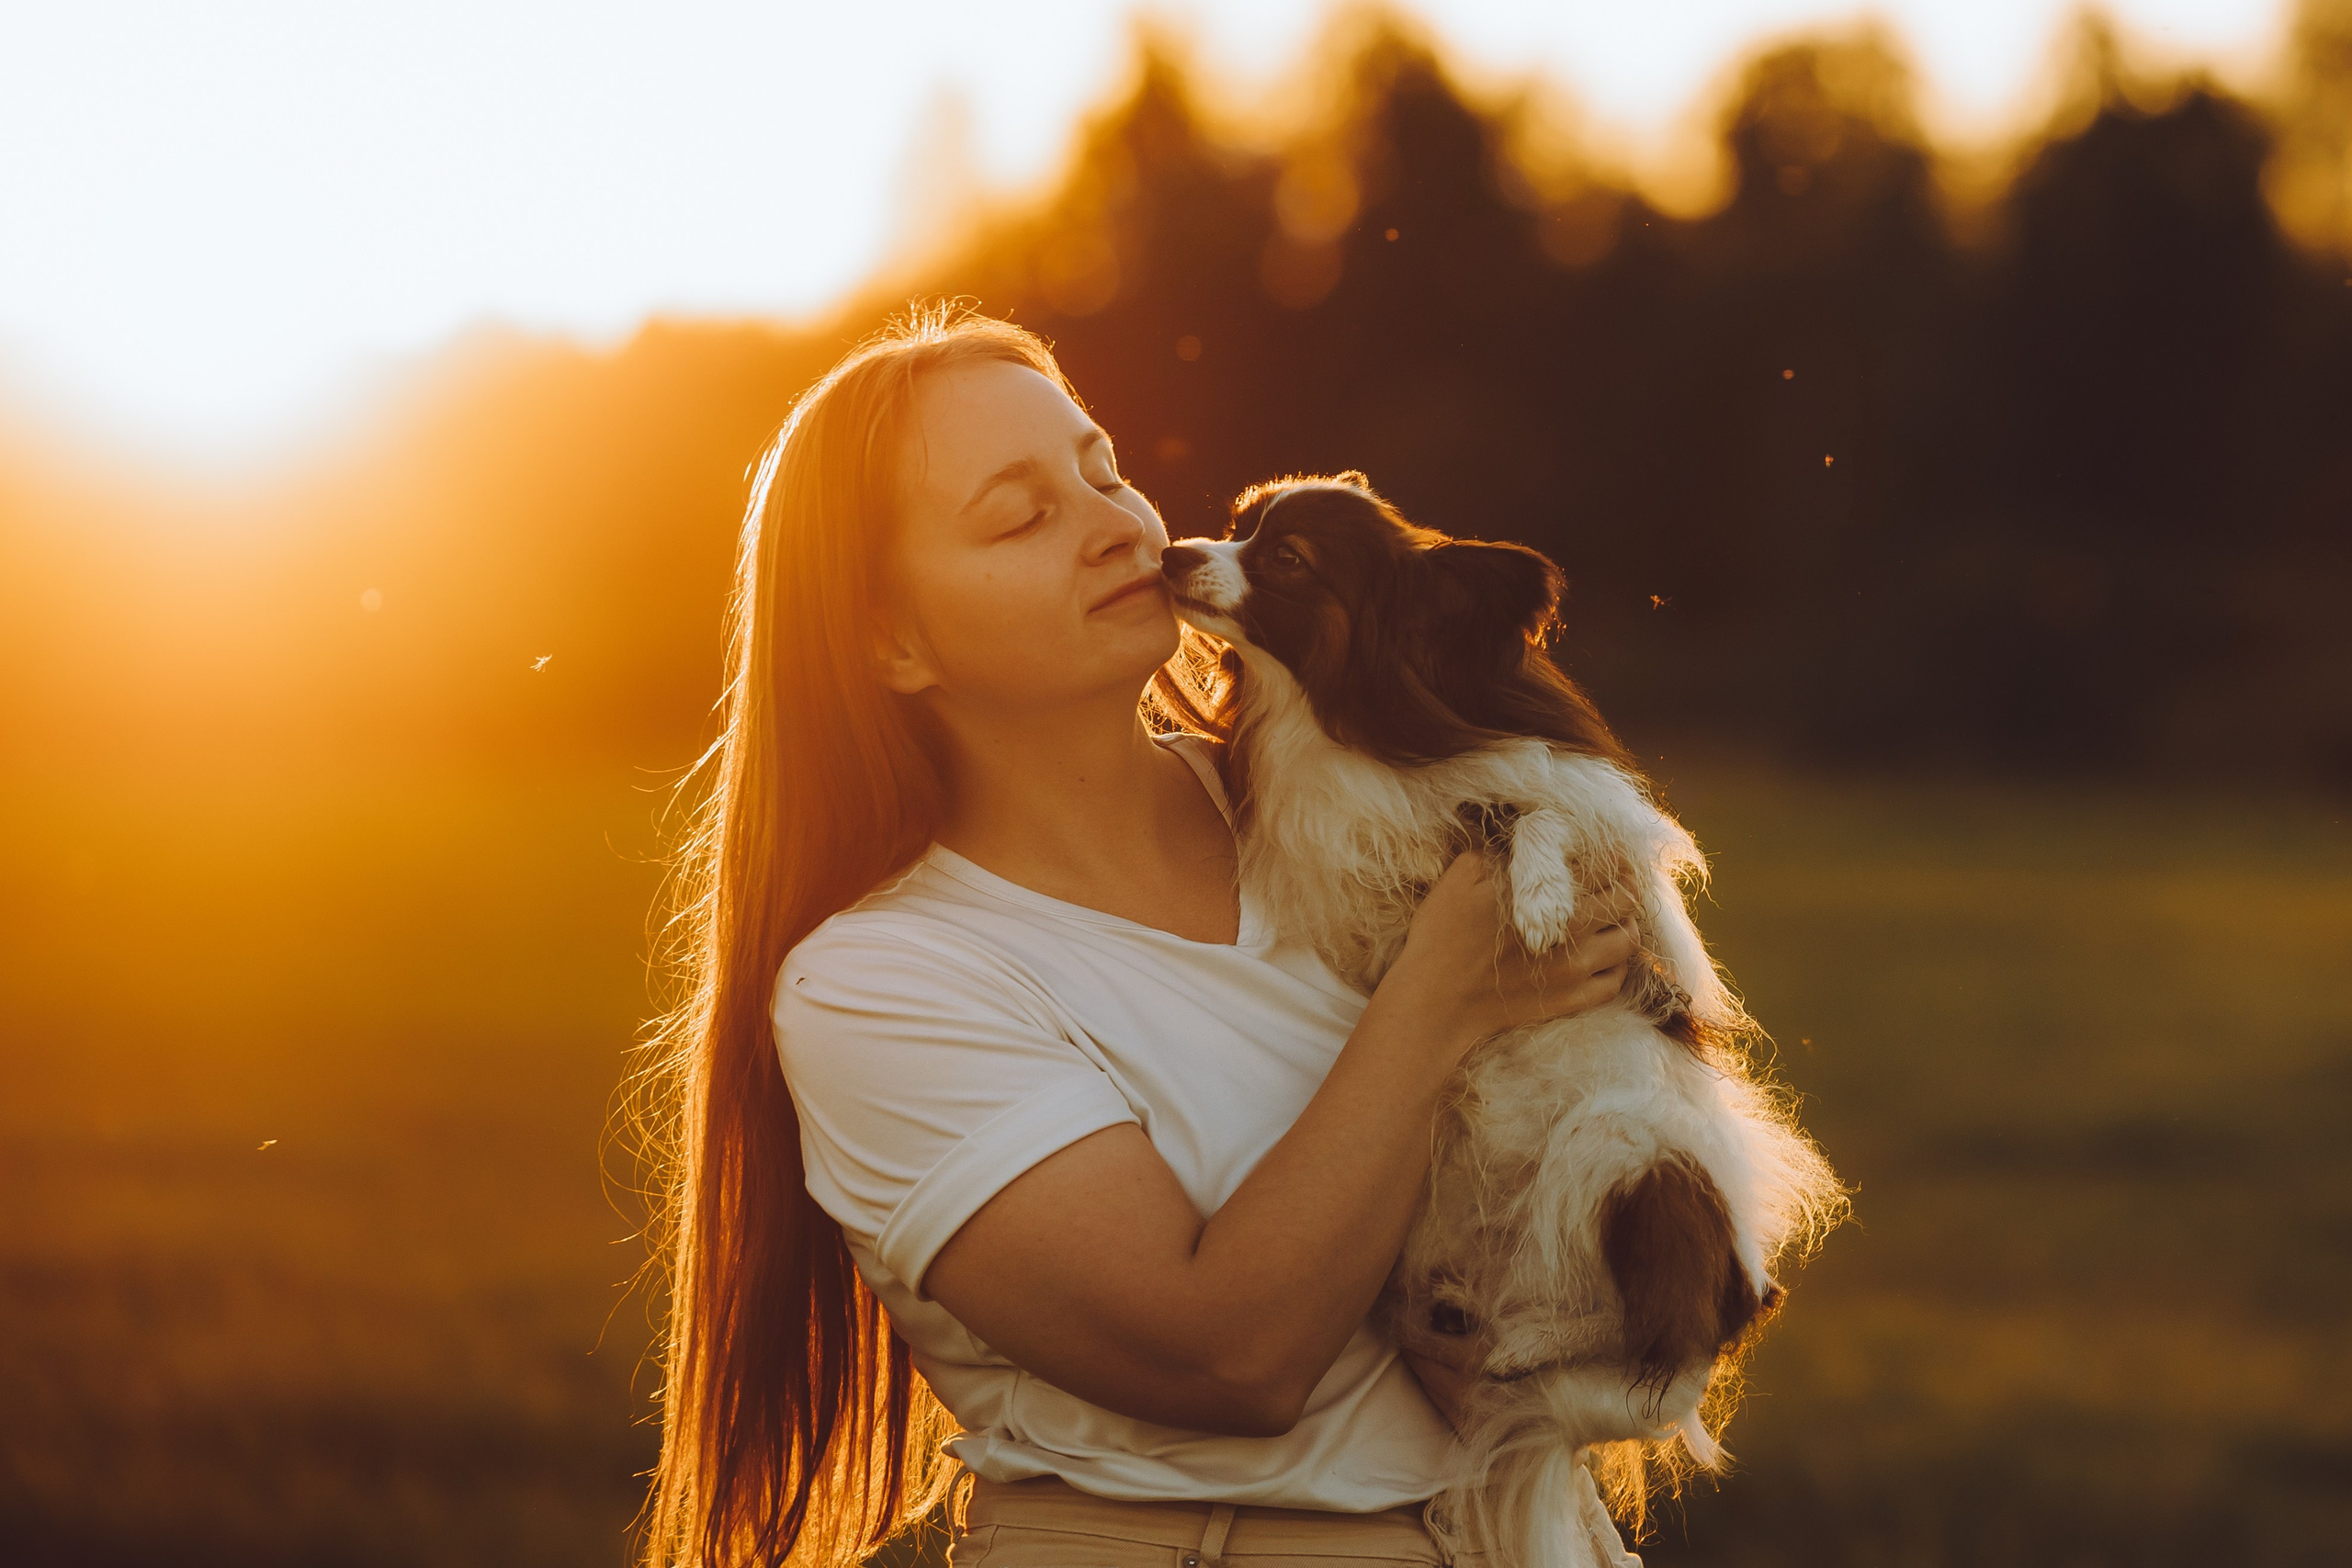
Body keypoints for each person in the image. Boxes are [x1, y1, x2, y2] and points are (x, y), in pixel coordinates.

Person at [637, 307, 1636, 1568]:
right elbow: (1229, 1356)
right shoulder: (882, 985)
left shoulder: (1328, 817)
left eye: (1104, 470)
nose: (1122, 525)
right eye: (1022, 514)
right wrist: (1442, 1000)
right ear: (889, 641)